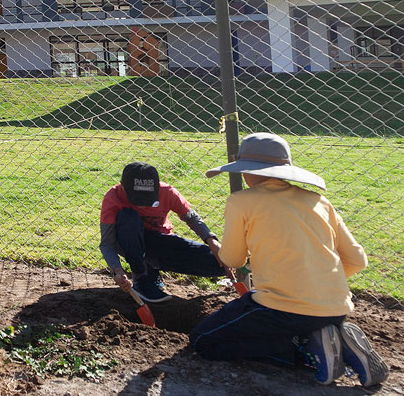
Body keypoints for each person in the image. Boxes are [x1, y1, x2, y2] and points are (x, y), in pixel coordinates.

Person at [190, 133, 386, 387]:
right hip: (336, 308)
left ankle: (305, 348)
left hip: (281, 309)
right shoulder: (319, 201)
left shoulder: (241, 201)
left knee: (202, 341)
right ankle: (335, 341)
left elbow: (233, 258)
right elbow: (358, 260)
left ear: (247, 171)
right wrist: (313, 281)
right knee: (289, 320)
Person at [99, 162, 225, 303]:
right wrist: (117, 270)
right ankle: (141, 277)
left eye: (147, 198)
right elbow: (107, 244)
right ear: (122, 185)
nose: (143, 204)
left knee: (220, 263)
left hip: (160, 242)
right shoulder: (113, 197)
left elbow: (191, 218)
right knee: (128, 217)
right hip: (127, 241)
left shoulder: (167, 192)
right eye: (137, 198)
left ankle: (152, 266)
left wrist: (212, 241)